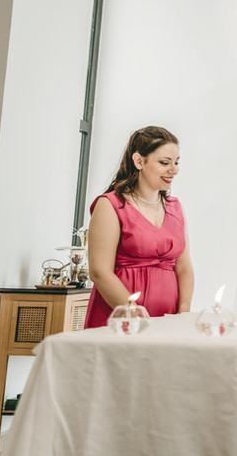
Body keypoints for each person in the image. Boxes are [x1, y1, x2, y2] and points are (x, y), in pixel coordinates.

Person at [84, 126, 194, 328]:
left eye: (176, 163)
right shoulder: (110, 205)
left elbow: (184, 267)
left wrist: (183, 311)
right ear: (139, 161)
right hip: (121, 316)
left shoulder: (175, 208)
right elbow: (99, 271)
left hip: (168, 319)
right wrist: (133, 314)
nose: (174, 170)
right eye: (164, 163)